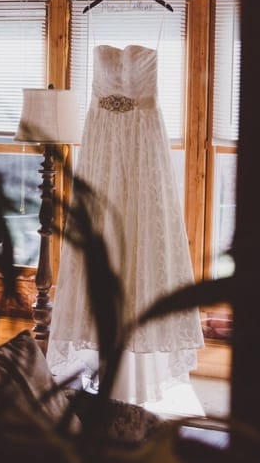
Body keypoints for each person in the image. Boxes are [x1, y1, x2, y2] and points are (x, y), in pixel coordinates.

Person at [46, 43, 204, 407]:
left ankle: (131, 366)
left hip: (142, 142)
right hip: (102, 144)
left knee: (140, 237)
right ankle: (100, 359)